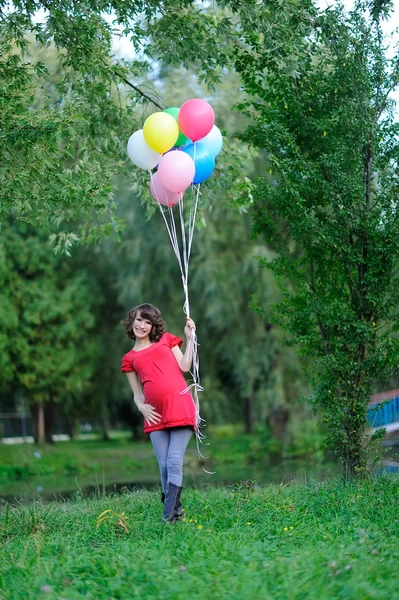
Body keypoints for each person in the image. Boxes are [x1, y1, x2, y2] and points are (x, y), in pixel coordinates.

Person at [120, 303, 196, 523]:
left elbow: (184, 366)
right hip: (154, 415)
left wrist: (190, 339)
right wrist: (141, 406)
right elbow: (137, 395)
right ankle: (176, 511)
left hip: (179, 405)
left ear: (153, 325)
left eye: (147, 321)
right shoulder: (129, 359)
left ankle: (168, 517)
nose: (142, 325)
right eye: (139, 320)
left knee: (173, 462)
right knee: (163, 465)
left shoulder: (166, 340)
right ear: (132, 320)